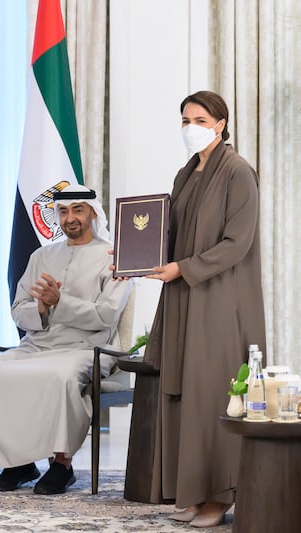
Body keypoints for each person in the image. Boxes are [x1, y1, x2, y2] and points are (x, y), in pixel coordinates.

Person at [142, 90, 265, 528]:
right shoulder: (186, 173)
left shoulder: (238, 173)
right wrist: (136, 255)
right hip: (183, 296)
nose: (188, 127)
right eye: (183, 120)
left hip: (219, 299)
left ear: (220, 123)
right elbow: (170, 231)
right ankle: (192, 492)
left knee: (212, 393)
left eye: (198, 119)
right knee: (183, 393)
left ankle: (219, 497)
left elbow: (237, 243)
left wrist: (183, 267)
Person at [0, 185, 132, 495]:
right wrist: (40, 308)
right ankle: (19, 462)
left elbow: (106, 316)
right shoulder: (42, 255)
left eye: (78, 210)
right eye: (64, 211)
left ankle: (61, 465)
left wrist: (60, 301)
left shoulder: (114, 257)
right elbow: (18, 310)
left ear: (93, 212)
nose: (71, 218)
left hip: (86, 349)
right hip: (37, 346)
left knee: (59, 376)